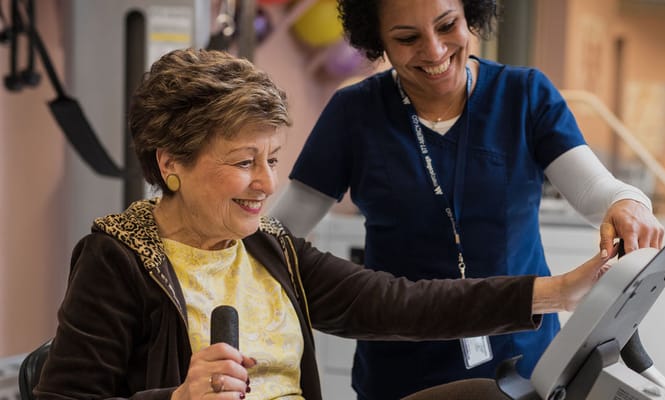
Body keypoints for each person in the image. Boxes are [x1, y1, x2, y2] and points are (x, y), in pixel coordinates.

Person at [33, 48, 616, 400]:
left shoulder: (268, 248)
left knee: (486, 396)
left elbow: (397, 303)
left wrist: (558, 292)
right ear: (171, 165)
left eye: (273, 160)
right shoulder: (119, 257)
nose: (266, 183)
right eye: (243, 162)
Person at [267, 0, 665, 398]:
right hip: (403, 366)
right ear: (379, 43)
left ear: (469, 16)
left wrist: (627, 203)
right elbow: (277, 235)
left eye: (447, 25)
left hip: (521, 361)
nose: (435, 51)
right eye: (407, 38)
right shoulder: (354, 113)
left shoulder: (524, 95)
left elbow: (594, 188)